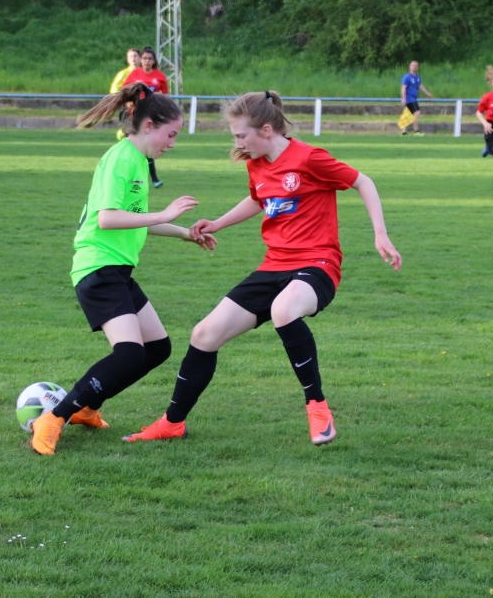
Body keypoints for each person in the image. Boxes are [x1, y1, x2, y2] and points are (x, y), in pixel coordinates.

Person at [122, 91, 403, 446]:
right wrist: (218, 223)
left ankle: (317, 407)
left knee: (283, 310)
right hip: (274, 266)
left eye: (241, 135)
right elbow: (259, 198)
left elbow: (363, 182)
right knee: (204, 334)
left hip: (317, 263)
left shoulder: (309, 158)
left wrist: (380, 233)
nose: (237, 143)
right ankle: (172, 423)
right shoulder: (256, 163)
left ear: (266, 130)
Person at [28, 82, 217, 456]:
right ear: (148, 126)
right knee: (129, 352)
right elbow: (109, 219)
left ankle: (86, 409)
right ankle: (53, 418)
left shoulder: (137, 161)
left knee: (157, 348)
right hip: (98, 268)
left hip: (116, 270)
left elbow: (133, 219)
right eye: (171, 134)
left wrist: (184, 233)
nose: (172, 143)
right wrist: (164, 213)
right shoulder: (121, 158)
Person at [123, 46, 168, 188]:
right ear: (141, 60)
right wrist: (129, 102)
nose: (147, 61)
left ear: (154, 61)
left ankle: (153, 178)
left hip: (150, 116)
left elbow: (166, 97)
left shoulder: (160, 76)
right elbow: (124, 91)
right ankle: (143, 177)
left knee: (146, 146)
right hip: (135, 115)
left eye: (150, 58)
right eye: (144, 58)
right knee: (134, 146)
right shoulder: (134, 75)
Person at [110, 48, 140, 141]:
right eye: (131, 56)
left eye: (135, 56)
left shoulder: (144, 73)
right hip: (128, 106)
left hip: (142, 106)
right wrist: (123, 100)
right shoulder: (123, 74)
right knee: (125, 130)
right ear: (127, 59)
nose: (133, 58)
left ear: (140, 58)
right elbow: (114, 90)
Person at [400, 60, 433, 137]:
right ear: (410, 67)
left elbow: (419, 85)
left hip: (414, 98)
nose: (414, 67)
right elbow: (403, 88)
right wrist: (404, 98)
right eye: (413, 65)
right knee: (417, 112)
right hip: (410, 99)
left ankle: (404, 132)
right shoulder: (407, 77)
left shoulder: (417, 77)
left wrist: (427, 93)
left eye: (416, 66)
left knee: (408, 114)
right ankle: (416, 131)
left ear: (417, 67)